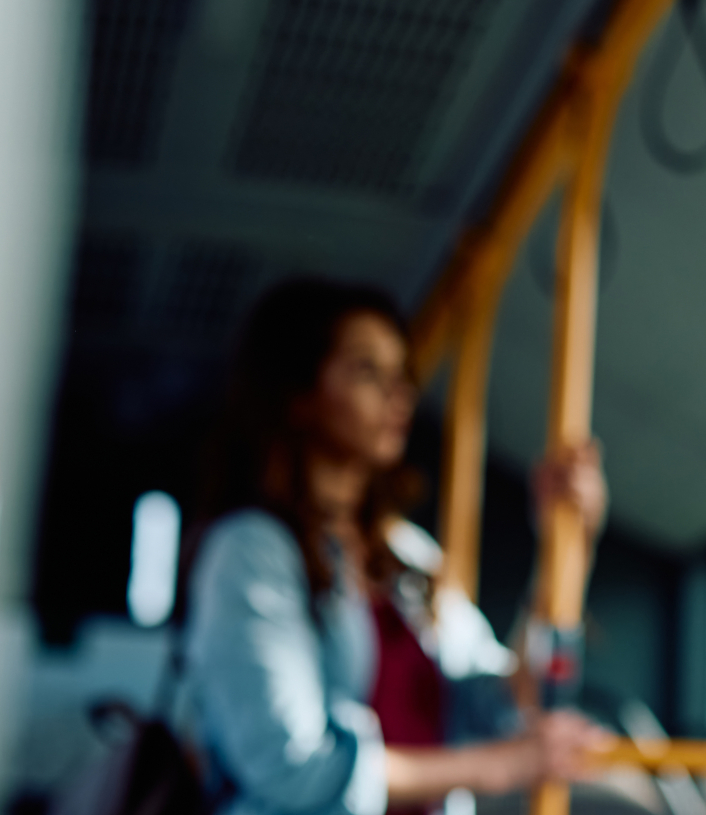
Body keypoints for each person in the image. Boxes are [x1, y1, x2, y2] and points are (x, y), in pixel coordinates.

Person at [184, 278, 612, 815]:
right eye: (367, 371)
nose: (399, 395)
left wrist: (563, 549)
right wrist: (499, 765)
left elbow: (506, 699)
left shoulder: (405, 554)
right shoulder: (251, 551)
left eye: (401, 375)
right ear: (298, 395)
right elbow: (289, 766)